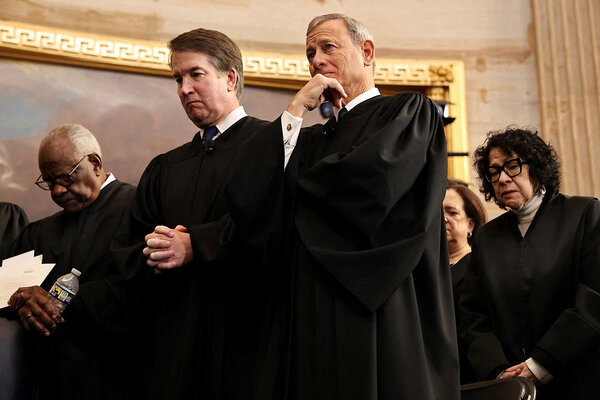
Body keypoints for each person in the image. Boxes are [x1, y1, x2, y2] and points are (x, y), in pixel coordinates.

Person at [229, 13, 458, 400]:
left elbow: (371, 182)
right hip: (310, 306)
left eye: (328, 47)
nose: (316, 59)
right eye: (310, 53)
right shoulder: (311, 136)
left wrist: (296, 188)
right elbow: (252, 193)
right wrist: (296, 109)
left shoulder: (407, 112)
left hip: (379, 303)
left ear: (366, 52)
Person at [103, 28, 270, 399]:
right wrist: (156, 249)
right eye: (178, 78)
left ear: (230, 78)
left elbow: (272, 228)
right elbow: (127, 251)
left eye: (196, 74)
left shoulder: (273, 146)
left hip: (243, 339)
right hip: (172, 340)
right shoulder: (166, 166)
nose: (184, 88)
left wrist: (198, 245)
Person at [459, 127, 600, 399]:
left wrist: (541, 364)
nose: (502, 178)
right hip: (511, 387)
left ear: (537, 167)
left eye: (512, 166)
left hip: (577, 378)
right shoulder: (487, 237)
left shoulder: (584, 214)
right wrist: (499, 372)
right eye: (494, 171)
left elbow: (593, 299)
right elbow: (472, 315)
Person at [2, 123, 136, 399]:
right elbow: (5, 292)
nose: (57, 192)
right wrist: (23, 299)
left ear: (95, 163)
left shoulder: (140, 211)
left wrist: (60, 300)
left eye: (64, 179)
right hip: (47, 381)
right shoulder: (39, 234)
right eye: (49, 183)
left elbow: (140, 293)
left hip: (118, 377)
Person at [443, 179, 486, 383]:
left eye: (452, 212)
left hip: (469, 376)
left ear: (470, 224)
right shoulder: (422, 269)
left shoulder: (482, 267)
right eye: (437, 212)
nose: (442, 219)